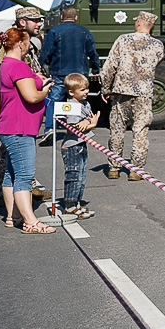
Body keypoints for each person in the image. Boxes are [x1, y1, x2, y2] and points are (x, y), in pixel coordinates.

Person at [0, 27, 53, 233]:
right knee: (24, 174)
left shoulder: (6, 64)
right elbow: (31, 96)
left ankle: (13, 216)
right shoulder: (18, 66)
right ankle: (31, 221)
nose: (29, 45)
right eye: (28, 41)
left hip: (11, 125)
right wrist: (44, 89)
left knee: (11, 172)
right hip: (19, 128)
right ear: (21, 44)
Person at [100, 11, 165, 180]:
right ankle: (136, 169)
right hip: (143, 93)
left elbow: (109, 67)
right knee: (140, 131)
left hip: (121, 91)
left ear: (138, 23)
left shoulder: (123, 40)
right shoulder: (158, 45)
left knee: (117, 129)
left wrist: (105, 88)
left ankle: (114, 167)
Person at [39, 4, 100, 137]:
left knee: (54, 100)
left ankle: (49, 128)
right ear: (76, 17)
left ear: (61, 17)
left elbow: (47, 52)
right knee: (79, 100)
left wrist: (42, 66)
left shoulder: (54, 31)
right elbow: (92, 52)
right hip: (80, 72)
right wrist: (95, 68)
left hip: (60, 72)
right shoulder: (85, 31)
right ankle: (78, 126)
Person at [58, 72, 99, 219]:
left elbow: (86, 122)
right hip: (72, 146)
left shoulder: (85, 104)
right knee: (73, 175)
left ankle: (76, 203)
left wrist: (89, 123)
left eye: (87, 88)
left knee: (81, 176)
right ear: (71, 92)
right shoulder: (71, 105)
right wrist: (90, 124)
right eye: (82, 90)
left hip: (81, 144)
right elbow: (72, 128)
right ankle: (69, 205)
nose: (86, 92)